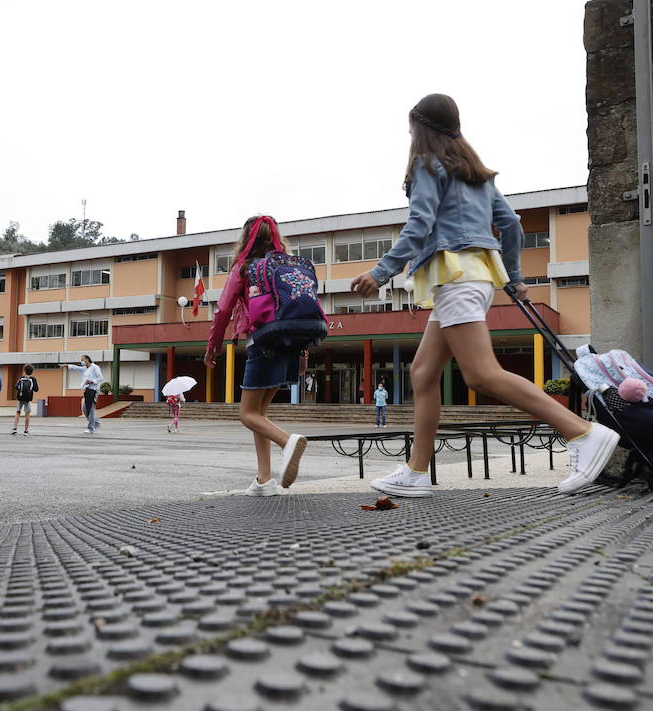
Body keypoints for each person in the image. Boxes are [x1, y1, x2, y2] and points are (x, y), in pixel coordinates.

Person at [353, 93, 619, 497]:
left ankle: (582, 432)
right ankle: (417, 472)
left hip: (456, 276)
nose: (409, 134)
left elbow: (420, 224)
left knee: (481, 374)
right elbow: (511, 224)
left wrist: (380, 272)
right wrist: (512, 278)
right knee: (423, 373)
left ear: (422, 128)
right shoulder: (477, 174)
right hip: (471, 278)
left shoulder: (428, 164)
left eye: (411, 127)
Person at [205, 216, 309, 496]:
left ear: (245, 237)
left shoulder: (245, 267)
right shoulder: (285, 265)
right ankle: (264, 480)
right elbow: (299, 307)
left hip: (262, 342)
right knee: (260, 414)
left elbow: (223, 309)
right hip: (289, 343)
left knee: (247, 414)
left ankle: (288, 442)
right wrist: (303, 352)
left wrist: (212, 346)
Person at [65, 355, 104, 434]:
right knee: (85, 409)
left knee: (91, 408)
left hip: (93, 390)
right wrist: (67, 365)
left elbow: (100, 377)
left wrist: (92, 381)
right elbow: (76, 368)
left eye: (82, 360)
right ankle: (95, 422)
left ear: (87, 359)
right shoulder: (85, 368)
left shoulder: (95, 367)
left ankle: (90, 428)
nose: (81, 361)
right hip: (86, 390)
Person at [11, 364, 39, 435]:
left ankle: (15, 428)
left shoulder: (21, 378)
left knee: (18, 412)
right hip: (28, 399)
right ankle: (26, 430)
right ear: (32, 371)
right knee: (27, 414)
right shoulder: (33, 379)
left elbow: (16, 387)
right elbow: (36, 389)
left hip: (20, 398)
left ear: (24, 370)